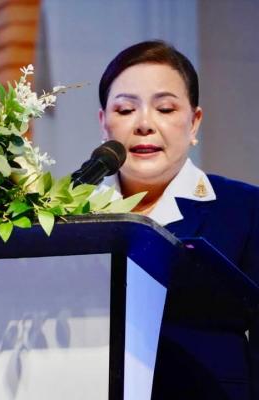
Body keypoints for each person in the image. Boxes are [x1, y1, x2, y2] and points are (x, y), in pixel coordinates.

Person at [98, 40, 259, 400]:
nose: (144, 124)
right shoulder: (71, 217)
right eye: (125, 109)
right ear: (103, 124)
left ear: (194, 122)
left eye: (165, 108)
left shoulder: (246, 210)